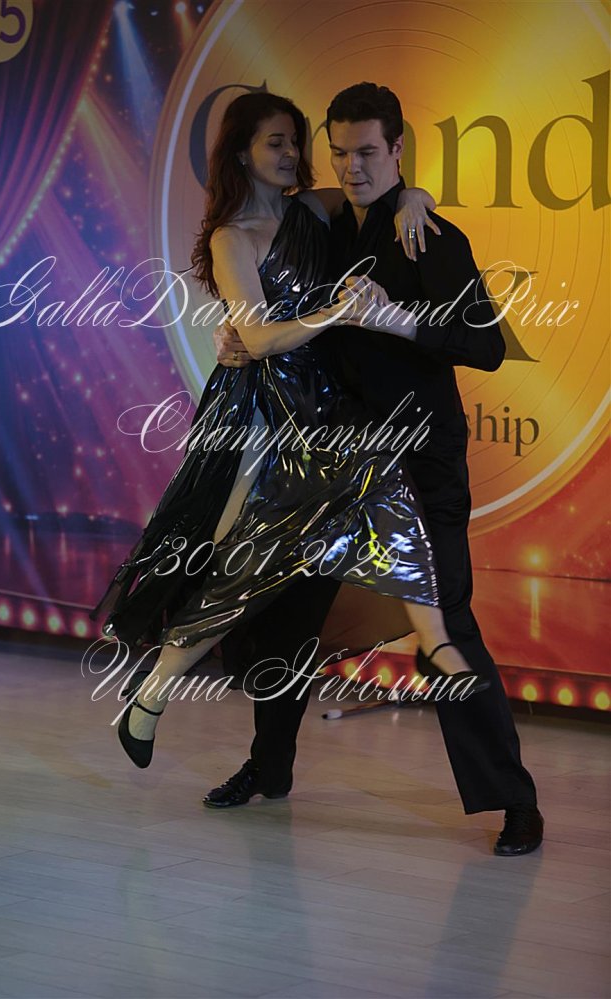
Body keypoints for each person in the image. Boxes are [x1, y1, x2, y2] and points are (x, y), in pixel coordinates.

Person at [91, 91, 490, 780]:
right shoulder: (231, 237)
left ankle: (160, 699)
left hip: (327, 414)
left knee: (302, 549)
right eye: (276, 142)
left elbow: (383, 189)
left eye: (295, 142)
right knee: (246, 563)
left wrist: (415, 196)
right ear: (242, 151)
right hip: (263, 416)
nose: (292, 155)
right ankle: (159, 697)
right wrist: (336, 314)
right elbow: (257, 337)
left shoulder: (315, 210)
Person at [209, 83, 543, 858]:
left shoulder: (429, 234)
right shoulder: (320, 227)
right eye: (339, 151)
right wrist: (237, 335)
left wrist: (400, 318)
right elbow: (277, 310)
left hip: (420, 460)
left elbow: (486, 345)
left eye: (367, 152)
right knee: (286, 614)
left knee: (446, 627)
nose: (351, 166)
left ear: (397, 148)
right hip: (334, 457)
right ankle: (270, 766)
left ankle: (515, 801)